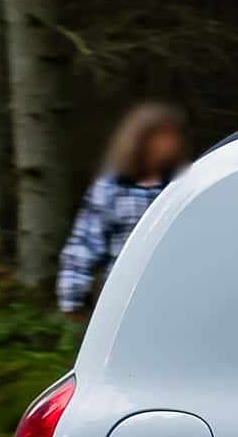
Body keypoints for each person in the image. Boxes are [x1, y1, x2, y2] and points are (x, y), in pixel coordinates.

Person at [56, 101, 190, 319]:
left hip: (175, 297)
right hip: (124, 299)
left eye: (175, 136)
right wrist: (73, 293)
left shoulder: (184, 185)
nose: (172, 143)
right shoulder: (111, 189)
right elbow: (86, 243)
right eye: (164, 137)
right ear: (141, 140)